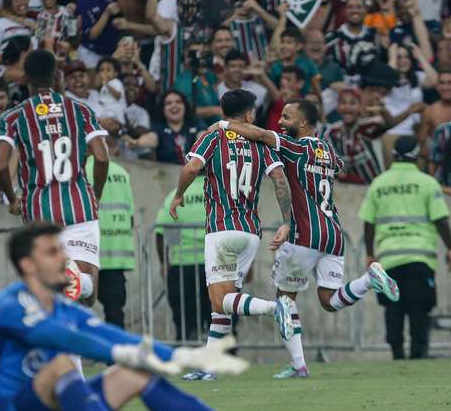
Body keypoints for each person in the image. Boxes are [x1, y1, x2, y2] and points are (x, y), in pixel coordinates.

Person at [0, 222, 295, 411]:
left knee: (135, 373)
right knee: (61, 363)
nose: (62, 259)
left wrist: (183, 357)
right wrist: (124, 351)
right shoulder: (10, 304)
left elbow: (110, 334)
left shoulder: (64, 307)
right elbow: (62, 337)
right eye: (52, 252)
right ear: (27, 264)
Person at [208, 99, 400, 379]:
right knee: (329, 300)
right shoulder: (327, 150)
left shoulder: (295, 147)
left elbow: (260, 135)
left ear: (302, 123)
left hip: (304, 234)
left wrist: (223, 124)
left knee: (285, 299)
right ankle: (369, 280)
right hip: (334, 234)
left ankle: (299, 365)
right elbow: (339, 165)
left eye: (286, 117)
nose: (280, 121)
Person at [169, 89, 295, 381]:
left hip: (222, 228)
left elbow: (191, 167)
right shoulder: (260, 144)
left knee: (221, 301)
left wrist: (178, 195)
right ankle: (209, 368)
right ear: (250, 114)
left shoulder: (212, 137)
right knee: (222, 306)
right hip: (251, 231)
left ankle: (277, 307)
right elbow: (279, 180)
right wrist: (286, 221)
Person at [0, 49, 110, 308]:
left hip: (39, 214)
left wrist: (13, 197)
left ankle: (70, 280)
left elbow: (0, 163)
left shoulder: (13, 116)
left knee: (51, 298)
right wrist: (97, 194)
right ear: (57, 76)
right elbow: (102, 157)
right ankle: (77, 277)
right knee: (87, 297)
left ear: (24, 78)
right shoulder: (80, 110)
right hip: (80, 209)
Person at [359, 136, 451, 360]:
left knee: (393, 310)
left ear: (394, 155)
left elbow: (368, 223)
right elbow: (441, 220)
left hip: (389, 259)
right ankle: (417, 356)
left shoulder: (379, 184)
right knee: (419, 309)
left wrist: (370, 254)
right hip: (419, 257)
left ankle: (396, 355)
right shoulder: (427, 183)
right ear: (417, 155)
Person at [156, 176, 211, 342]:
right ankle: (224, 352)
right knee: (218, 316)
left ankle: (186, 346)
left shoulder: (176, 194)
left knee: (184, 316)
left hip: (182, 265)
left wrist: (165, 261)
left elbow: (162, 231)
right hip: (215, 264)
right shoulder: (217, 192)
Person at [85, 154, 135, 329]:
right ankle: (117, 352)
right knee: (115, 311)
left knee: (79, 305)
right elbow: (130, 216)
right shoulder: (122, 173)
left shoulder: (82, 171)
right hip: (116, 254)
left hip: (88, 253)